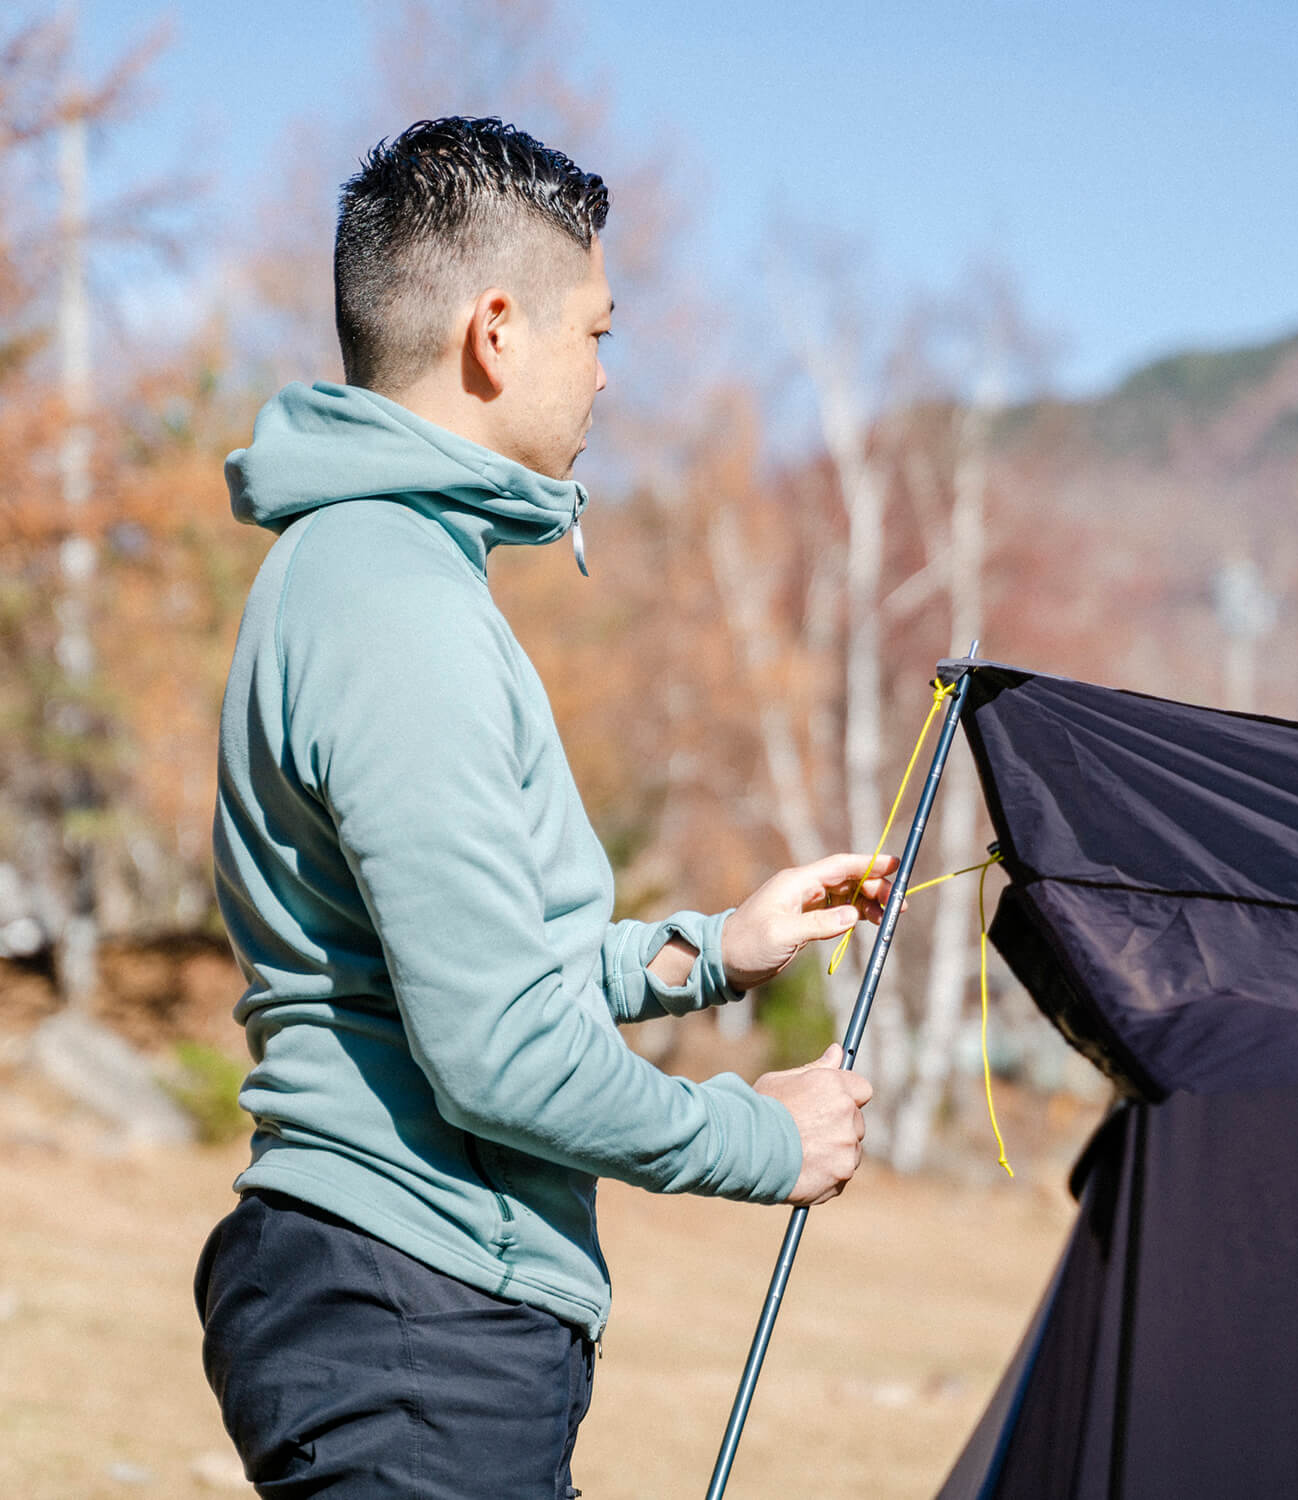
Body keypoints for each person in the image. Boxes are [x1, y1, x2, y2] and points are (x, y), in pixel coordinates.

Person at [195, 116, 888, 1500]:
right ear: (496, 332)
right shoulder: (394, 605)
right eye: (600, 333)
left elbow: (473, 968)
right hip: (413, 1320)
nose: (606, 377)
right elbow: (498, 1053)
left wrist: (705, 954)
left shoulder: (385, 578)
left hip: (413, 1315)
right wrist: (759, 1138)